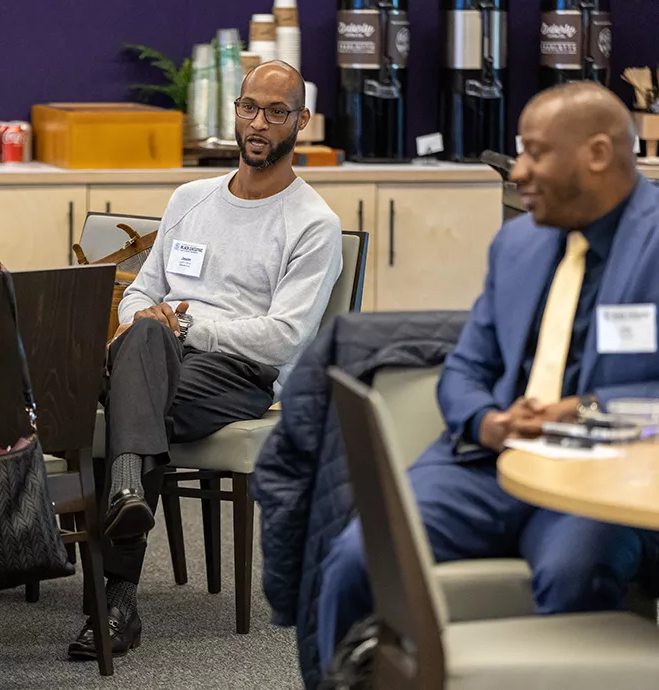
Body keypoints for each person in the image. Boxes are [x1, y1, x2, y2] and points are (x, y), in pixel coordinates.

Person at [317, 81, 659, 668]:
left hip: (604, 483)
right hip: (489, 463)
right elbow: (468, 366)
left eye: (535, 152)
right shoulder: (517, 243)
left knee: (575, 573)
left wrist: (581, 410)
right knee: (359, 557)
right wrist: (488, 420)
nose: (517, 170)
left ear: (597, 155)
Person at [68, 61, 343, 659]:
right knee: (142, 340)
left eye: (276, 112)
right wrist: (148, 319)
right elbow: (141, 292)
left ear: (302, 121)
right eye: (250, 107)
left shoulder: (313, 224)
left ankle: (114, 567)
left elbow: (284, 338)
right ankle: (118, 569)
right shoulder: (190, 199)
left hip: (240, 374)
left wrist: (186, 323)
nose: (259, 123)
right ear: (236, 112)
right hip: (157, 358)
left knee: (130, 386)